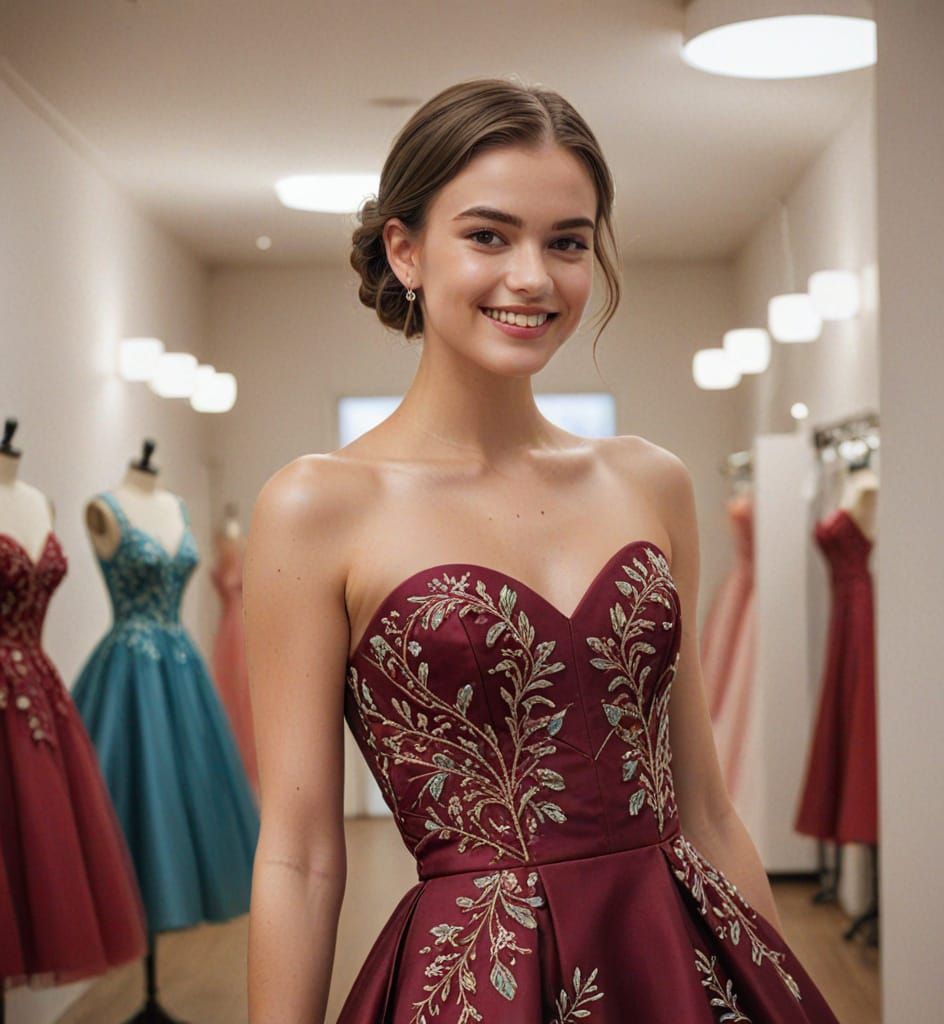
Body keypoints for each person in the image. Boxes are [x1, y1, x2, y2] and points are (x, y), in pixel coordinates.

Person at [245, 76, 839, 1023]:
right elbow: (301, 852)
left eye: (567, 242)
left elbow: (708, 809)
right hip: (479, 983)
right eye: (488, 235)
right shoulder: (319, 507)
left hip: (680, 963)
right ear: (406, 249)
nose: (533, 277)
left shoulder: (651, 481)